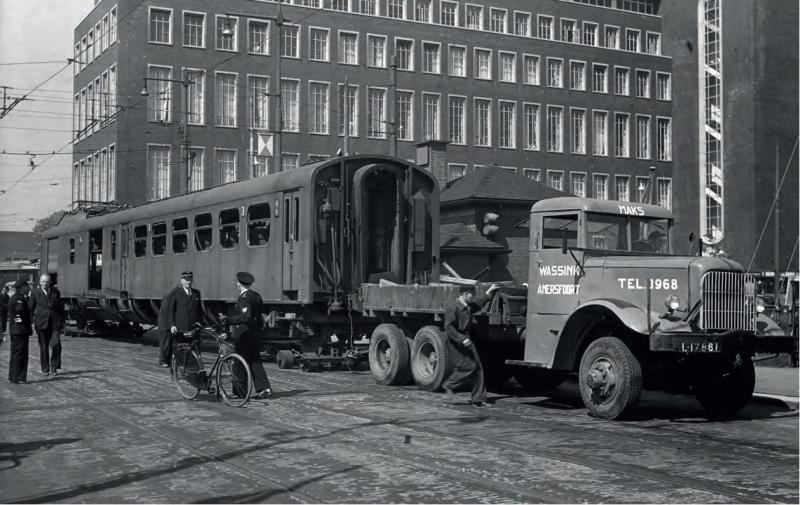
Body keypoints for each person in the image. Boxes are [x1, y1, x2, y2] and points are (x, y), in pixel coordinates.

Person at [441, 283, 500, 407]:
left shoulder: (467, 305)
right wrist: (461, 339)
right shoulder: (453, 306)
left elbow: (478, 304)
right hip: (456, 342)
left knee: (478, 368)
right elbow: (448, 327)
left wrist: (489, 291)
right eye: (471, 295)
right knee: (469, 366)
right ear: (464, 294)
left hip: (466, 340)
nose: (472, 297)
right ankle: (450, 384)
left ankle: (478, 399)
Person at [221, 271, 272, 399]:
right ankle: (264, 388)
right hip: (255, 334)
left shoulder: (243, 298)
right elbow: (260, 314)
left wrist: (229, 320)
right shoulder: (256, 296)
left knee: (238, 362)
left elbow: (246, 316)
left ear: (239, 284)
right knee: (255, 361)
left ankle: (240, 392)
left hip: (244, 335)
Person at [28, 274, 64, 376]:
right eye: (43, 281)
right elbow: (31, 308)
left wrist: (62, 321)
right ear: (40, 282)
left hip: (54, 323)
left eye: (47, 281)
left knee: (56, 345)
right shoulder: (35, 292)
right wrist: (30, 322)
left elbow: (60, 308)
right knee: (44, 348)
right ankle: (45, 368)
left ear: (50, 282)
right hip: (41, 323)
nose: (45, 283)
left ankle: (54, 367)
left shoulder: (56, 292)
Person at [164, 271, 205, 353]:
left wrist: (201, 323)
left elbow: (199, 310)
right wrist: (172, 325)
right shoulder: (176, 293)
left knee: (195, 351)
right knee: (181, 351)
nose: (188, 282)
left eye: (190, 280)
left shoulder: (196, 293)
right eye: (186, 280)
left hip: (194, 328)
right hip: (181, 328)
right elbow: (171, 310)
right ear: (182, 281)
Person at [8, 279, 32, 384]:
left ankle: (13, 376)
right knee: (21, 354)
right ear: (22, 287)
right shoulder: (19, 298)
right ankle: (19, 377)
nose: (29, 288)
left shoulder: (14, 297)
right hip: (20, 330)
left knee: (15, 354)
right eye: (27, 286)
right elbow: (19, 310)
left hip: (16, 330)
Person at [156, 292, 173, 367]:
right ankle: (162, 361)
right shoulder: (168, 300)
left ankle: (167, 360)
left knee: (168, 343)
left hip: (165, 324)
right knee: (165, 343)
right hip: (165, 324)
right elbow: (167, 314)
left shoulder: (167, 298)